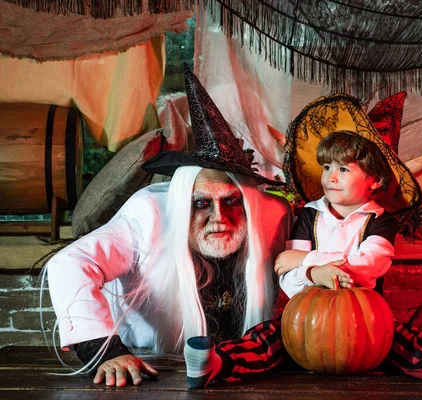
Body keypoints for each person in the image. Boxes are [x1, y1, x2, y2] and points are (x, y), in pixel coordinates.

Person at [184, 94, 422, 392]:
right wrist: (309, 273)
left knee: (407, 344)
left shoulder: (380, 220)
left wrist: (310, 263)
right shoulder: (309, 216)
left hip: (367, 321)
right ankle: (217, 364)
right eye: (326, 168)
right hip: (306, 318)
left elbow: (371, 267)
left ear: (374, 181)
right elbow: (287, 275)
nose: (330, 177)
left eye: (343, 169)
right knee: (268, 338)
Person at [44, 64, 292, 387]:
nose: (219, 217)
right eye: (201, 203)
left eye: (231, 201)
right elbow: (70, 264)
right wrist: (105, 353)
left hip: (237, 376)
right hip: (154, 372)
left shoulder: (273, 216)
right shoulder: (149, 214)